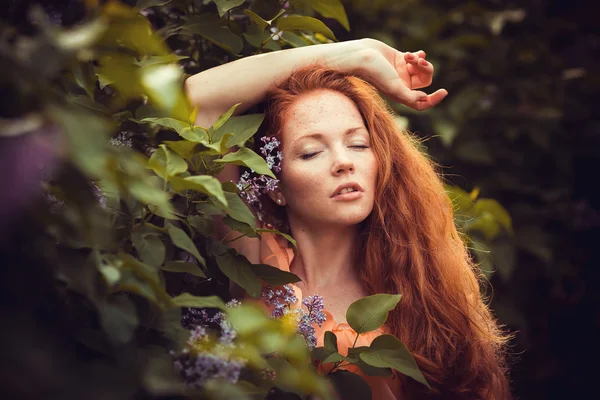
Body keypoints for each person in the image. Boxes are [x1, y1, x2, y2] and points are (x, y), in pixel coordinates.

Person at [185, 38, 512, 399]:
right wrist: (356, 55)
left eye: (358, 144)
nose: (345, 162)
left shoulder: (422, 296)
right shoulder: (255, 265)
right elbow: (200, 100)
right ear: (274, 184)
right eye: (311, 152)